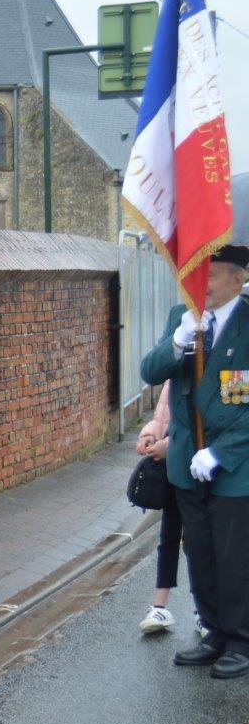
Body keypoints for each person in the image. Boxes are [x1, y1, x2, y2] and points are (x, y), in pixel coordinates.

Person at [140, 244, 249, 680]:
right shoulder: (181, 317)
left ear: (237, 281)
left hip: (233, 465)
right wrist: (179, 339)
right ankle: (215, 633)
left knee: (233, 556)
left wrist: (220, 452)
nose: (199, 285)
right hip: (187, 459)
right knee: (200, 552)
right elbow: (150, 371)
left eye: (212, 275)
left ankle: (241, 638)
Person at [135, 381, 209, 636]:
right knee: (168, 538)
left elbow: (200, 428)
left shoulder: (202, 368)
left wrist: (169, 446)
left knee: (196, 544)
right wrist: (150, 435)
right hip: (173, 472)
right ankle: (159, 606)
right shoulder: (174, 374)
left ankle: (204, 611)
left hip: (199, 474)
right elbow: (161, 416)